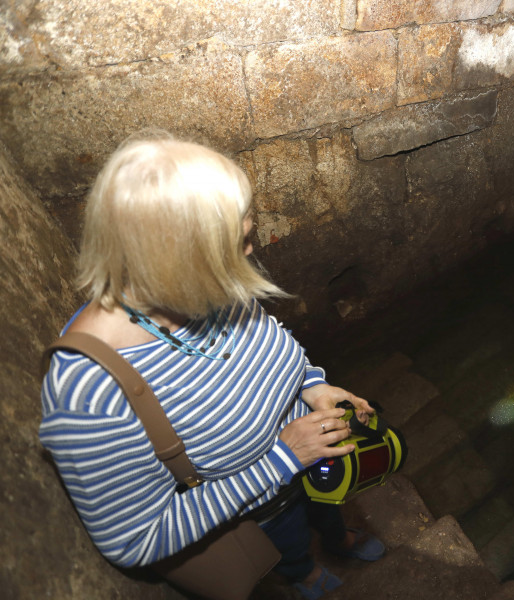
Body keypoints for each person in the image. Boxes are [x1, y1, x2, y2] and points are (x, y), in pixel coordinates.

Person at [39, 132, 385, 600]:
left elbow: (272, 347)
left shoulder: (212, 290)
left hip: (313, 459)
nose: (249, 252)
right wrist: (283, 460)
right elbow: (136, 539)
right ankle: (303, 574)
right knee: (288, 543)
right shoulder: (87, 394)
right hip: (259, 509)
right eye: (237, 241)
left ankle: (338, 538)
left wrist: (311, 387)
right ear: (180, 261)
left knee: (327, 507)